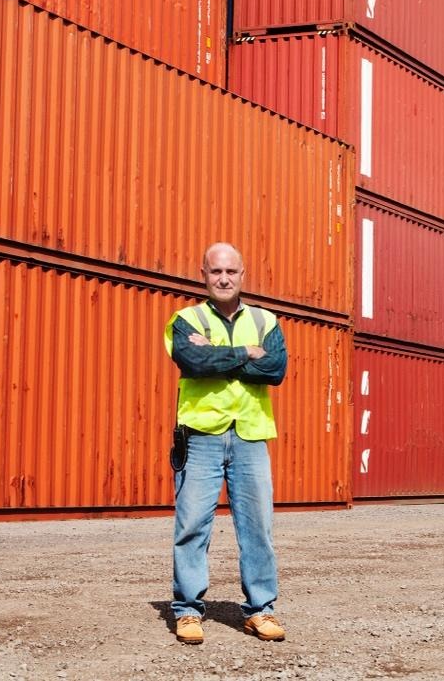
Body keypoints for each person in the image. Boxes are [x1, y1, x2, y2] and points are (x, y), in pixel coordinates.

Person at [164, 242, 288, 645]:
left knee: (258, 529)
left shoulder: (266, 320)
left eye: (230, 272)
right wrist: (243, 354)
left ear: (242, 274)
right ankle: (186, 610)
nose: (223, 279)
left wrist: (220, 356)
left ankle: (260, 610)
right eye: (216, 271)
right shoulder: (186, 319)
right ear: (203, 274)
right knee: (192, 526)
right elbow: (193, 363)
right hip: (201, 436)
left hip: (250, 436)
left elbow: (275, 369)